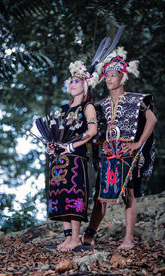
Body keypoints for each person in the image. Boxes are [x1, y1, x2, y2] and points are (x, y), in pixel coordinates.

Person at [82, 46, 157, 249]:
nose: (108, 79)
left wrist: (138, 143)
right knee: (100, 197)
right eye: (106, 76)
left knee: (129, 195)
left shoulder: (136, 100)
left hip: (127, 154)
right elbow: (93, 130)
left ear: (122, 77)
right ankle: (89, 234)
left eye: (113, 76)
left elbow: (152, 119)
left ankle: (128, 239)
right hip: (108, 155)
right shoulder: (101, 105)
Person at [47, 60, 98, 251]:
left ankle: (76, 238)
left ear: (84, 85)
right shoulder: (62, 109)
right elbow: (55, 133)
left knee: (73, 195)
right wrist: (51, 146)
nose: (72, 83)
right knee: (60, 196)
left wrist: (70, 146)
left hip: (76, 158)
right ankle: (68, 237)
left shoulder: (88, 107)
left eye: (76, 81)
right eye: (70, 81)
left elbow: (92, 132)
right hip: (58, 159)